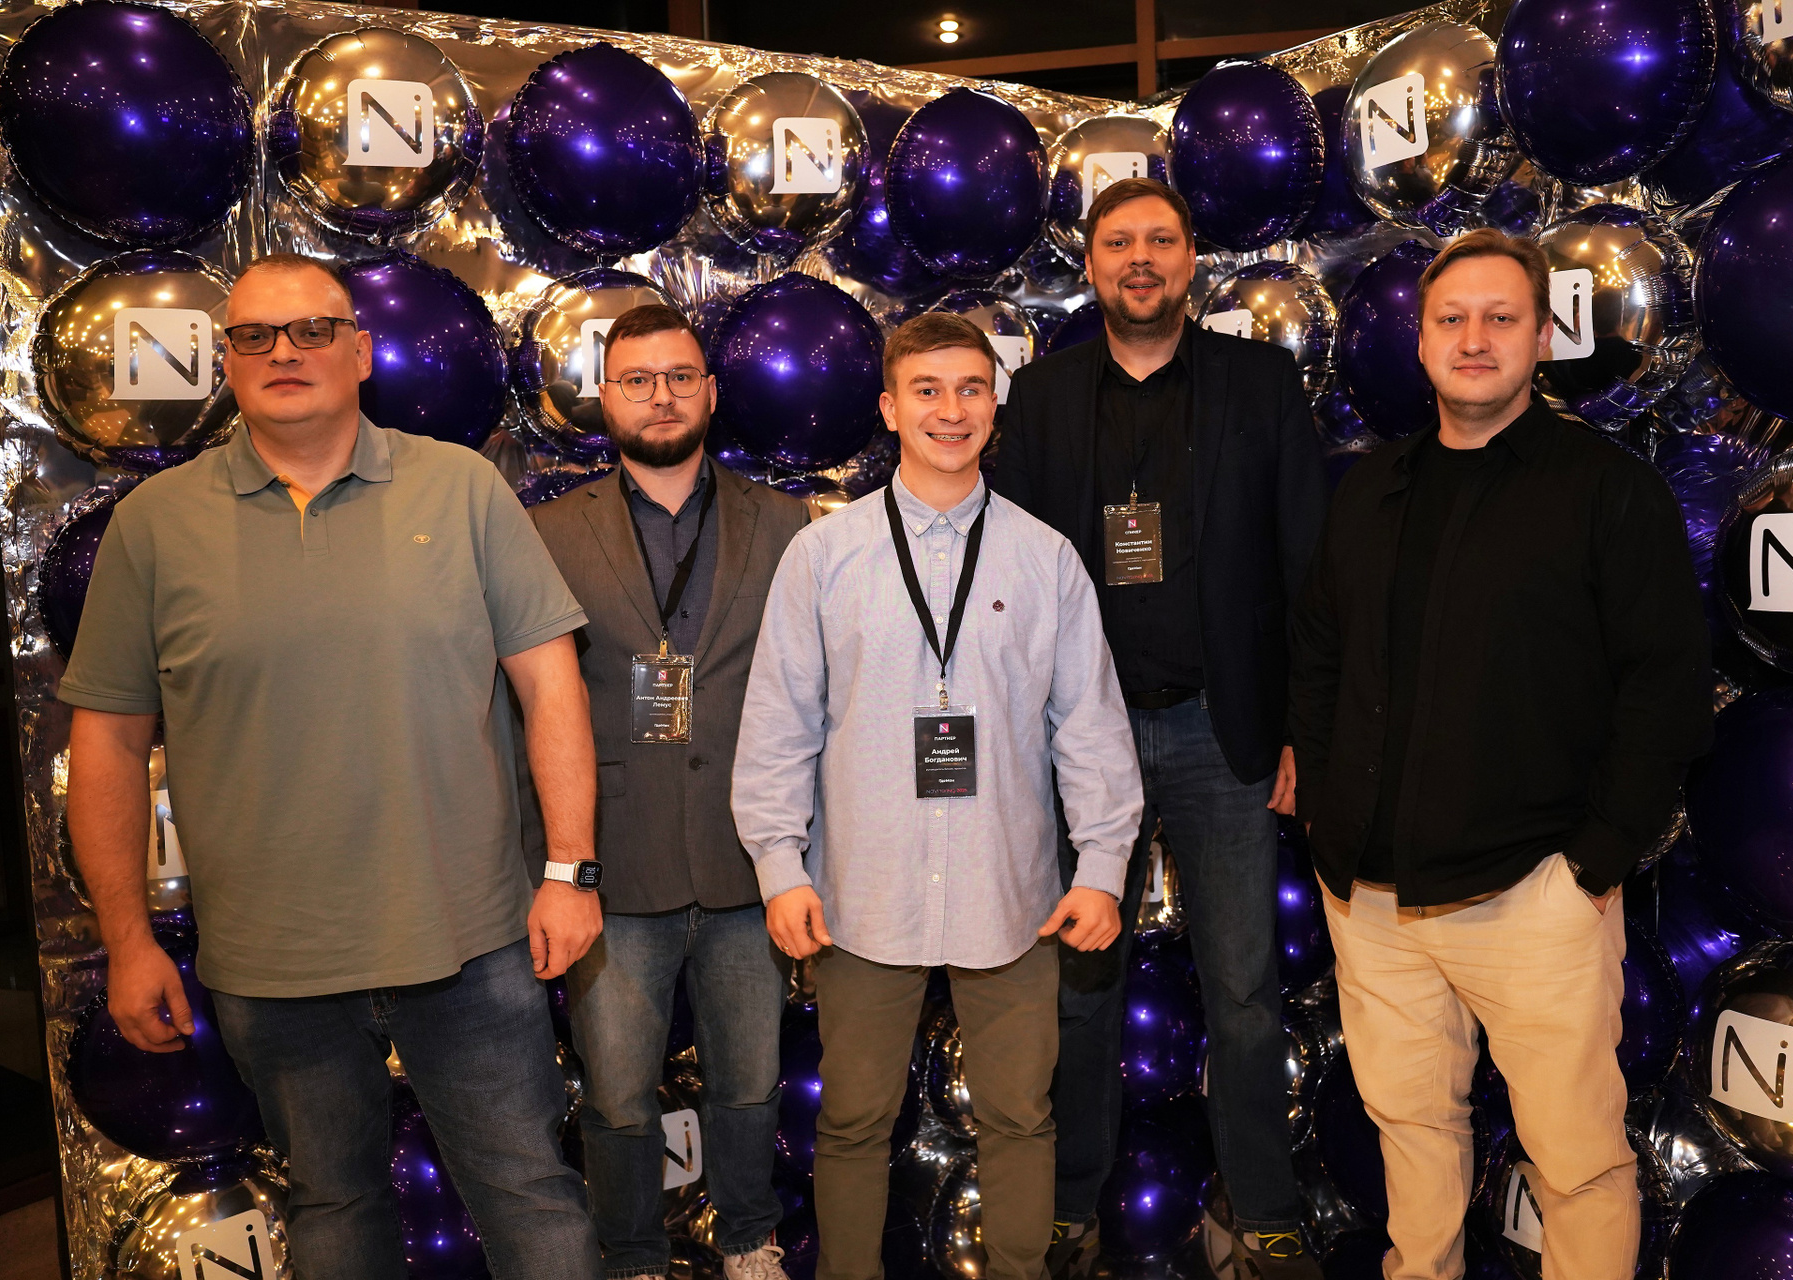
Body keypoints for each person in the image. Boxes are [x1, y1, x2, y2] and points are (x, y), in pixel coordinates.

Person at [60, 253, 604, 1280]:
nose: (285, 352)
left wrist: (571, 869)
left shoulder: (464, 486)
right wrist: (125, 940)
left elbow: (553, 688)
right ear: (226, 361)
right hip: (274, 962)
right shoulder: (154, 523)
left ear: (360, 351)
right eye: (255, 335)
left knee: (532, 1196)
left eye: (313, 329)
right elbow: (109, 742)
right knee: (332, 1207)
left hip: (470, 939)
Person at [1288, 228, 1712, 1280]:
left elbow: (1665, 687)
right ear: (1421, 340)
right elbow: (1321, 655)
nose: (1473, 338)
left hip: (1533, 894)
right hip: (1370, 900)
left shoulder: (1607, 488)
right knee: (1410, 1134)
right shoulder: (1369, 488)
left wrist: (1595, 860)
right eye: (1452, 318)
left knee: (1576, 1162)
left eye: (1500, 318)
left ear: (1541, 337)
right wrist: (1328, 819)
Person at [731, 312, 1143, 1280]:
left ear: (994, 407)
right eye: (927, 390)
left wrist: (1104, 865)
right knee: (852, 1120)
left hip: (1013, 893)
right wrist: (779, 866)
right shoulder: (824, 556)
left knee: (1020, 1117)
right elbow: (780, 722)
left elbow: (1089, 725)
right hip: (862, 892)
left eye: (969, 389)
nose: (949, 410)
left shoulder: (1045, 558)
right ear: (889, 408)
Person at [993, 176, 1327, 1278]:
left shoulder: (1260, 383)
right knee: (1081, 994)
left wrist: (1303, 729)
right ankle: (1068, 1208)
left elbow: (1307, 564)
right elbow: (1006, 580)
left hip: (1222, 733)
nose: (1140, 258)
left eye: (1161, 240)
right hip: (1078, 743)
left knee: (1244, 991)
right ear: (1090, 264)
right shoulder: (1039, 398)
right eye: (1119, 242)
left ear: (1192, 260)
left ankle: (1266, 1208)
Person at [524, 303, 809, 1280]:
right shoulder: (545, 532)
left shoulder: (787, 525)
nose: (661, 396)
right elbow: (524, 709)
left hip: (750, 856)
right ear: (605, 397)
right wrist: (550, 865)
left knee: (751, 1083)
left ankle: (749, 1240)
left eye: (680, 377)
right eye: (638, 380)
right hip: (611, 861)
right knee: (615, 1096)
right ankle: (634, 1256)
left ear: (711, 392)